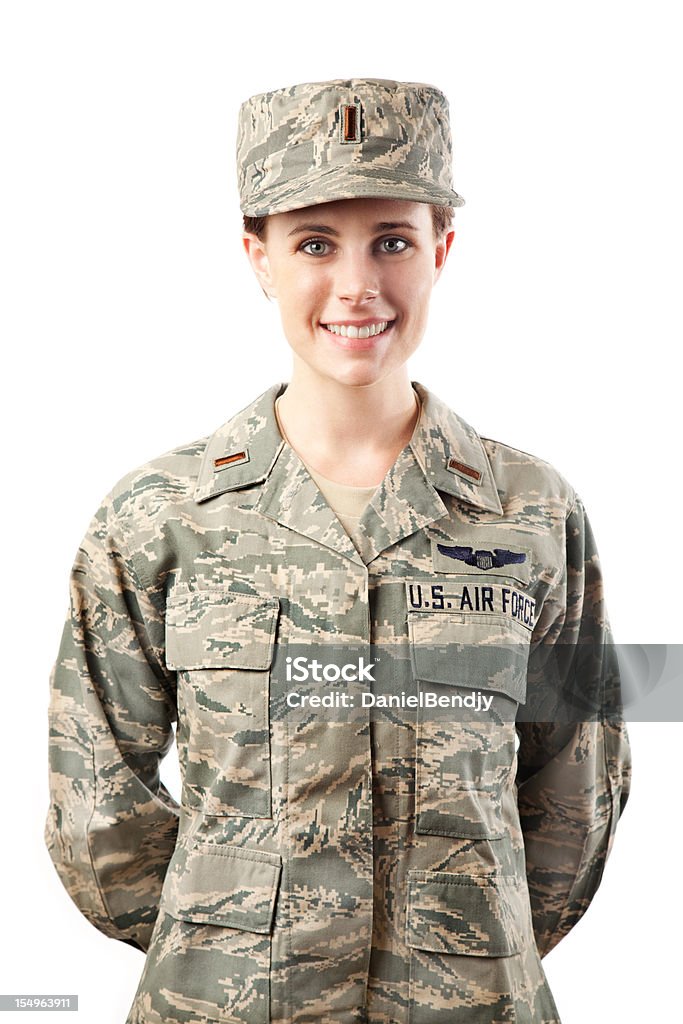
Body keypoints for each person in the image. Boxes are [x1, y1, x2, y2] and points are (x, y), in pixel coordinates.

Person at [44, 78, 631, 1024]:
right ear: (259, 259)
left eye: (390, 241)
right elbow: (95, 794)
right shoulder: (159, 516)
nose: (355, 286)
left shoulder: (530, 512)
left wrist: (461, 932)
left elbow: (577, 790)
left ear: (441, 249)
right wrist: (224, 934)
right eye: (314, 243)